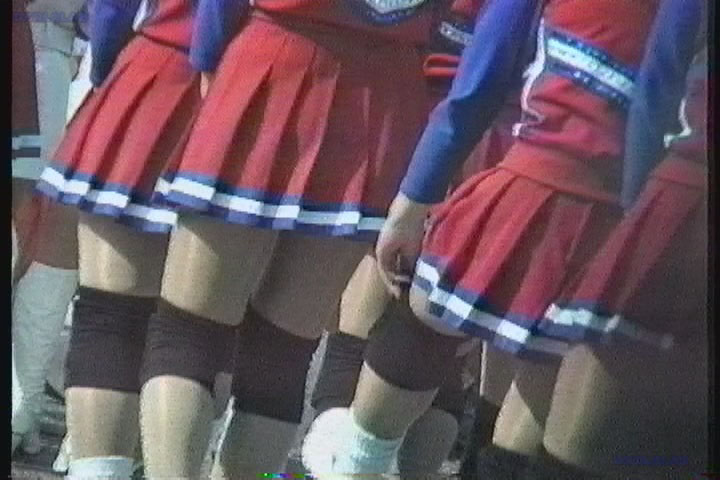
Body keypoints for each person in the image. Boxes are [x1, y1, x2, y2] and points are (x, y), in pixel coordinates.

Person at [316, 0, 664, 475]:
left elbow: (478, 84)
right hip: (626, 218)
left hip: (525, 177)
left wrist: (411, 201)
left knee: (423, 327)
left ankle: (350, 459)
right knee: (535, 377)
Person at [133, 1, 472, 477]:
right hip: (383, 93)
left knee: (189, 332)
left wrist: (210, 59)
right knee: (284, 352)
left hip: (273, 58)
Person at [302, 1, 522, 476]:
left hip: (435, 109)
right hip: (514, 134)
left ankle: (336, 454)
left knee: (384, 282)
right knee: (453, 330)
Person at [34, 1, 205, 478]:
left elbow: (113, 10)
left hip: (165, 71)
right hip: (317, 96)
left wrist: (109, 71)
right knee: (232, 336)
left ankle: (91, 455)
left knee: (113, 316)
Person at [538, 0, 708, 476]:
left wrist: (636, 209)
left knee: (574, 451)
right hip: (682, 198)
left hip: (683, 203)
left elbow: (659, 82)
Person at [11, 0, 82, 456]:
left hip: (57, 53)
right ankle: (22, 406)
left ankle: (23, 405)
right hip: (47, 51)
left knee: (50, 227)